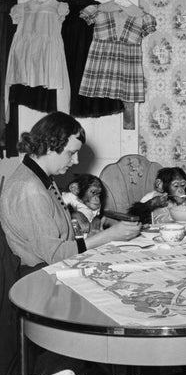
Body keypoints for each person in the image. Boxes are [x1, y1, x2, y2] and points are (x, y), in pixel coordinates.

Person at [0, 111, 141, 269]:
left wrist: (90, 238)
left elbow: (58, 239)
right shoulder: (29, 189)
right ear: (49, 147)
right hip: (39, 276)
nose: (76, 161)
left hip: (52, 268)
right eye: (72, 153)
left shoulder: (38, 178)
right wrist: (107, 236)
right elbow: (55, 255)